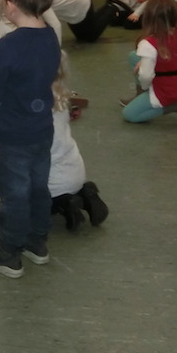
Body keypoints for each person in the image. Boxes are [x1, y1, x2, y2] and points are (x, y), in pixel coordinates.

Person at [0, 0, 59, 278]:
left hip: (11, 134)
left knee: (13, 193)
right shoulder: (51, 37)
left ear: (10, 6)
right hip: (41, 130)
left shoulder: (7, 46)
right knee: (38, 186)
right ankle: (37, 241)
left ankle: (8, 250)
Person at [47, 53, 109, 230]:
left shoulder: (31, 106)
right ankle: (86, 193)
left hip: (53, 183)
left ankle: (66, 204)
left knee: (30, 203)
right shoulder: (61, 97)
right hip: (75, 170)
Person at [122, 0, 177, 123]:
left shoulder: (148, 44)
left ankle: (174, 105)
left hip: (166, 90)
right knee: (134, 56)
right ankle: (143, 96)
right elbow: (174, 57)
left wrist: (145, 87)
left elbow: (145, 77)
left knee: (129, 114)